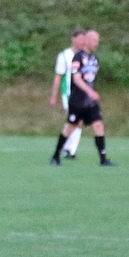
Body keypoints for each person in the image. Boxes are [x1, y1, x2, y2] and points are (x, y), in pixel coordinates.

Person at [50, 30, 113, 166]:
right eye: (95, 41)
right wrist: (90, 91)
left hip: (90, 102)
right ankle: (56, 155)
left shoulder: (95, 59)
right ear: (88, 41)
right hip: (78, 101)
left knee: (98, 125)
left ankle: (103, 159)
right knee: (71, 127)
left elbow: (91, 76)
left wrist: (91, 93)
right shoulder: (77, 57)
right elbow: (77, 79)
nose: (97, 44)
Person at [49, 29, 86, 160]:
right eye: (81, 38)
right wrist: (54, 96)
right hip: (69, 94)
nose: (83, 41)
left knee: (75, 121)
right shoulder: (64, 56)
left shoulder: (85, 56)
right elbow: (58, 77)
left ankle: (67, 148)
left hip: (83, 94)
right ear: (73, 39)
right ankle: (70, 150)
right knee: (77, 121)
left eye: (84, 39)